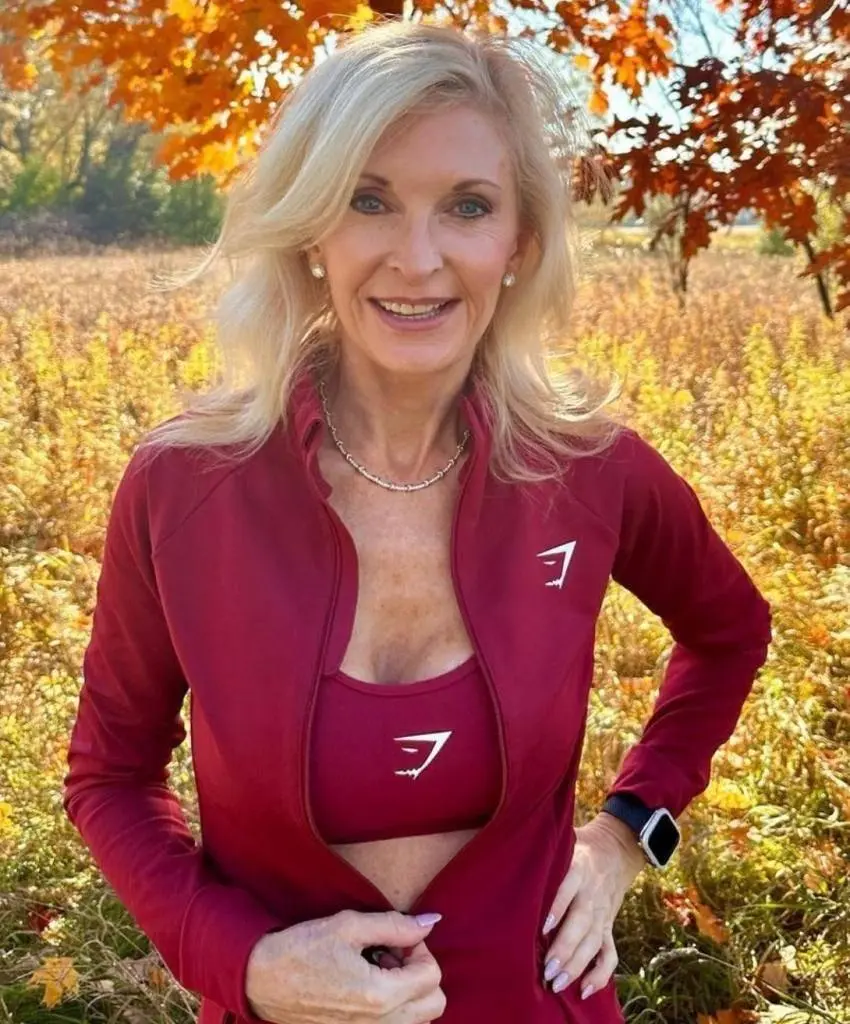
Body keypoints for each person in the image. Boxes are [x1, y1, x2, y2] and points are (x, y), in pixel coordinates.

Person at [62, 19, 773, 1024]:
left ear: (519, 244)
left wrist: (626, 833)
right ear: (311, 230)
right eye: (369, 200)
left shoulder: (589, 470)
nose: (418, 256)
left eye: (468, 206)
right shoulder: (185, 487)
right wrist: (244, 962)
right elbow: (110, 776)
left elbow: (730, 629)